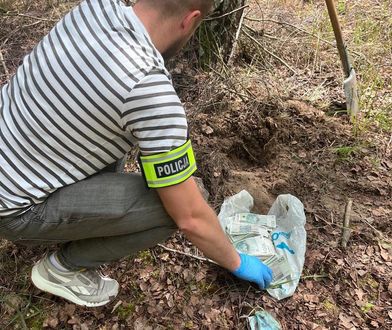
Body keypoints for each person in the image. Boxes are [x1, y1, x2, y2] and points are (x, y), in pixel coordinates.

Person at [0, 0, 273, 307]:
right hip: (13, 210)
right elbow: (190, 218)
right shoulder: (150, 92)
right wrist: (236, 261)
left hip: (14, 154)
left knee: (117, 127)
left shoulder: (94, 9)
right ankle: (63, 269)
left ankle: (79, 225)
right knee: (175, 205)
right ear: (191, 20)